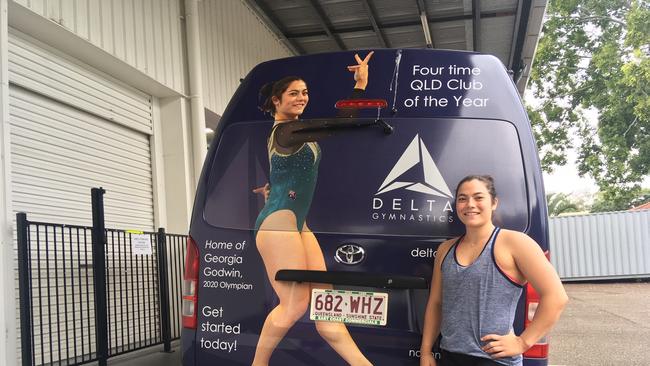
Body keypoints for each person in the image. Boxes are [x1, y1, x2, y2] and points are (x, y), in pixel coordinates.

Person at [251, 52, 375, 366]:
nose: (302, 97)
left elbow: (289, 172)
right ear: (277, 101)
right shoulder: (285, 131)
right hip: (279, 223)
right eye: (294, 93)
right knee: (294, 305)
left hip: (296, 222)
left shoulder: (291, 131)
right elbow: (340, 124)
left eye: (305, 92)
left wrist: (272, 188)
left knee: (327, 306)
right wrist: (359, 87)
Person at [419, 175, 568, 366]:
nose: (470, 204)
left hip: (495, 360)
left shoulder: (515, 243)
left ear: (494, 203)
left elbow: (556, 296)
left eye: (478, 197)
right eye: (462, 199)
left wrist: (522, 342)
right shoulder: (445, 250)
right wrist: (425, 351)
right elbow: (436, 304)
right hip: (450, 355)